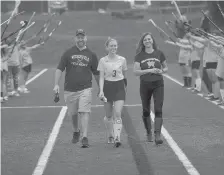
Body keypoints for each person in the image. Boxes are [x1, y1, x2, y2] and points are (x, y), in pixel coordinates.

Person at [53, 29, 100, 148]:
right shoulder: (68, 53)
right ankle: (76, 131)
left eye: (82, 37)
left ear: (86, 38)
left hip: (85, 89)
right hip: (69, 89)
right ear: (75, 39)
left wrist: (101, 88)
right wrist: (56, 84)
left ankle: (84, 137)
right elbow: (59, 69)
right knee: (73, 114)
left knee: (84, 111)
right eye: (78, 37)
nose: (80, 39)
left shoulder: (91, 54)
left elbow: (96, 73)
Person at [133, 32, 168, 145]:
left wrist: (162, 71)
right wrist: (149, 70)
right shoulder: (139, 56)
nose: (147, 41)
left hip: (158, 84)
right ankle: (148, 132)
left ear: (152, 40)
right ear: (142, 43)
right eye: (145, 40)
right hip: (145, 85)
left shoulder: (159, 53)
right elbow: (136, 72)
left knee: (158, 109)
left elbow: (166, 67)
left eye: (149, 39)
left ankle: (157, 134)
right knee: (146, 110)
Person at [97, 37, 127, 147]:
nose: (113, 47)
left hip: (119, 87)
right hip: (107, 87)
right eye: (111, 46)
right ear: (107, 48)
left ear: (117, 47)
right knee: (109, 115)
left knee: (118, 113)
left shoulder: (122, 60)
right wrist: (101, 91)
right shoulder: (102, 60)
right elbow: (101, 77)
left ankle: (117, 137)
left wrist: (125, 87)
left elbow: (124, 75)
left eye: (115, 45)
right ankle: (110, 134)